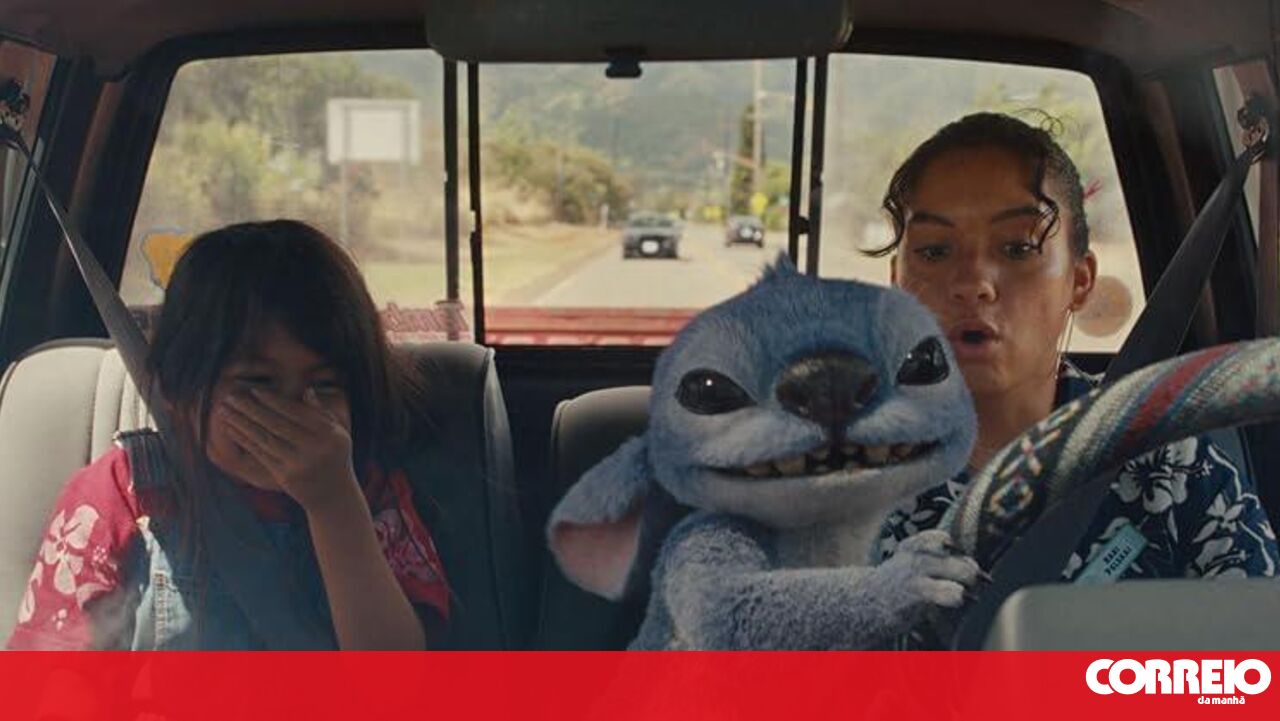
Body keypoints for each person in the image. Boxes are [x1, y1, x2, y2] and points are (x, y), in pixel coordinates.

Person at [870, 112, 1279, 581]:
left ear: (1080, 281)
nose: (972, 284)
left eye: (1018, 248)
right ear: (898, 283)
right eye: (934, 251)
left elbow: (1257, 622)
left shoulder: (1165, 459)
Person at [7, 220, 448, 650]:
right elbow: (48, 670)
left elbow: (396, 682)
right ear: (177, 389)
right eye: (256, 384)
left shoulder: (370, 494)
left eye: (325, 386)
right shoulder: (126, 491)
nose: (294, 412)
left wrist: (335, 505)